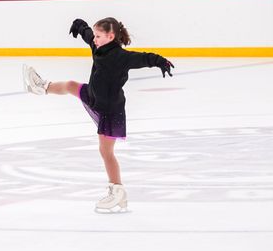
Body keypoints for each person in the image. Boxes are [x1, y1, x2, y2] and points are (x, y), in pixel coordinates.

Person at [23, 17, 174, 212]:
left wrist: (160, 61)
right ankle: (40, 87)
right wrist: (80, 25)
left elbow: (143, 58)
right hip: (94, 96)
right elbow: (87, 35)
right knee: (70, 85)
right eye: (95, 35)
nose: (94, 39)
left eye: (99, 36)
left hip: (111, 109)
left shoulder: (121, 57)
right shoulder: (98, 47)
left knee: (106, 152)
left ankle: (117, 191)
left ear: (111, 36)